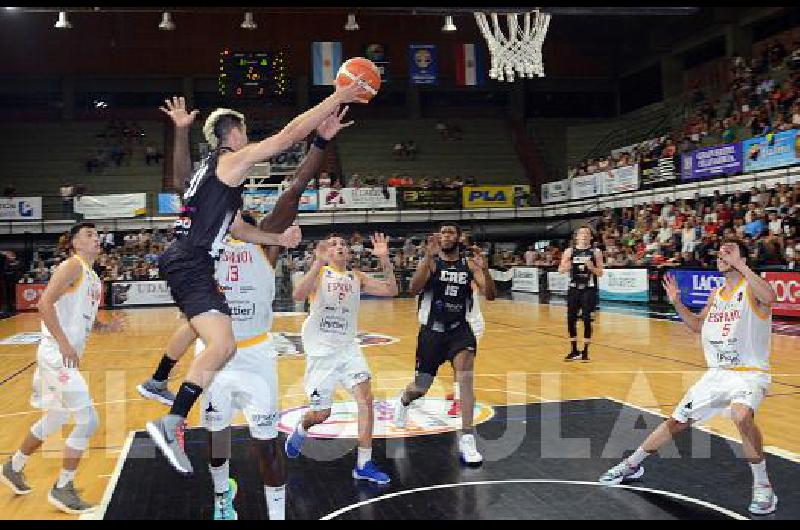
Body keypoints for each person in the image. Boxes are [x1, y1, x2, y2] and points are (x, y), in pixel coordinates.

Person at [145, 80, 366, 477]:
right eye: (244, 132)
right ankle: (172, 419)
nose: (249, 139)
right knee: (221, 343)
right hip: (191, 261)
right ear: (234, 134)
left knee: (217, 341)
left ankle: (161, 385)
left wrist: (277, 238)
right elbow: (285, 137)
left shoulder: (210, 179)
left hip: (191, 264)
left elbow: (240, 229)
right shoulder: (229, 160)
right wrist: (338, 97)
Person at [599, 238, 779, 516]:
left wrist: (742, 266)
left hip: (749, 373)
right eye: (721, 252)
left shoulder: (752, 289)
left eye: (729, 252)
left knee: (741, 415)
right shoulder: (717, 294)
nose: (722, 255)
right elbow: (696, 325)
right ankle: (632, 464)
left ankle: (763, 485)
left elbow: (770, 298)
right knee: (676, 422)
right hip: (716, 375)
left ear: (743, 258)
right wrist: (677, 303)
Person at [0, 223, 123, 514]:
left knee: (54, 420)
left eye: (96, 235)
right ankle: (62, 487)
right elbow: (44, 303)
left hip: (60, 354)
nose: (96, 239)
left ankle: (13, 466)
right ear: (75, 244)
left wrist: (105, 327)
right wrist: (64, 343)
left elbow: (84, 316)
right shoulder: (72, 266)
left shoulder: (92, 276)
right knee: (88, 420)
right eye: (88, 235)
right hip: (56, 355)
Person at [284, 233, 398, 484]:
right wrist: (317, 262)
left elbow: (392, 290)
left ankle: (363, 463)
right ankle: (301, 428)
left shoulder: (355, 276)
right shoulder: (321, 274)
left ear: (348, 253)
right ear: (325, 250)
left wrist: (385, 260)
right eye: (333, 244)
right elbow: (298, 296)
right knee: (321, 413)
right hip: (321, 354)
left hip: (348, 350)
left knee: (366, 400)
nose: (339, 247)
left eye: (343, 245)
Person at [393, 223, 496, 465]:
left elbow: (490, 295)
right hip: (432, 332)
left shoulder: (469, 264)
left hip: (459, 330)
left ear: (458, 238)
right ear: (438, 238)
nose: (446, 235)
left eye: (451, 232)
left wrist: (486, 270)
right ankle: (404, 400)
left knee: (466, 379)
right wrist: (426, 258)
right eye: (443, 232)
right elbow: (412, 289)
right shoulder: (432, 262)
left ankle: (468, 439)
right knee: (421, 387)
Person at [559, 226, 604, 361]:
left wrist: (592, 268)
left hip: (588, 288)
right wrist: (567, 265)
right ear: (576, 237)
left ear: (591, 237)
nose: (584, 235)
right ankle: (573, 350)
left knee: (586, 318)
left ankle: (585, 351)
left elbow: (600, 273)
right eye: (581, 233)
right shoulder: (569, 251)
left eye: (587, 233)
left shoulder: (596, 252)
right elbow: (561, 269)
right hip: (574, 288)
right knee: (571, 318)